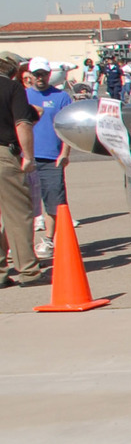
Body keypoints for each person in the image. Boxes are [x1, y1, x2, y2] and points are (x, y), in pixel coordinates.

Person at [0, 54, 43, 285]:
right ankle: (27, 270)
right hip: (4, 155)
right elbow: (22, 124)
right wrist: (28, 156)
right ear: (14, 70)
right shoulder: (13, 88)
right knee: (17, 215)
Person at [24, 61, 72, 260]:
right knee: (23, 202)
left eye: (43, 74)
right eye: (37, 74)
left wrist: (65, 153)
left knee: (54, 201)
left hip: (51, 158)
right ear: (30, 75)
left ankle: (49, 238)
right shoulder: (23, 96)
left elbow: (67, 127)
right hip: (26, 158)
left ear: (49, 74)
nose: (40, 78)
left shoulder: (61, 97)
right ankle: (20, 244)